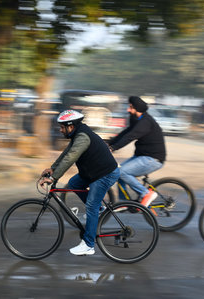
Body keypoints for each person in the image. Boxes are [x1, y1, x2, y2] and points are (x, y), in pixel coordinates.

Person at [40, 110, 120, 256]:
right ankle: (100, 209)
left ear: (70, 126)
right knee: (74, 184)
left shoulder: (82, 137)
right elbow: (67, 153)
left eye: (62, 127)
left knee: (91, 205)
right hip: (93, 172)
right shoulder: (78, 135)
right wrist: (53, 168)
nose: (60, 129)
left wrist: (53, 178)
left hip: (104, 174)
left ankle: (89, 245)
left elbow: (70, 158)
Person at [107, 96, 166, 207]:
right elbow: (126, 132)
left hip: (153, 159)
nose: (128, 110)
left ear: (137, 108)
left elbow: (130, 136)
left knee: (122, 172)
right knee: (117, 172)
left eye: (130, 107)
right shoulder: (137, 120)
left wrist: (113, 148)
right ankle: (124, 203)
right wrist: (109, 143)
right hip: (142, 156)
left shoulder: (146, 122)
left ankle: (146, 193)